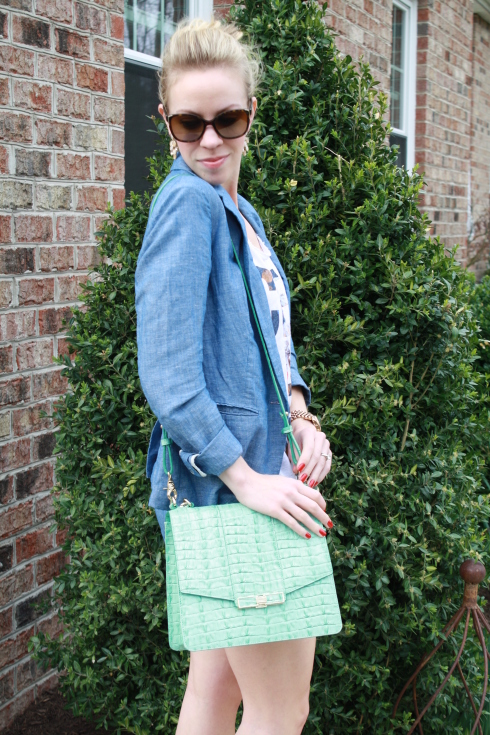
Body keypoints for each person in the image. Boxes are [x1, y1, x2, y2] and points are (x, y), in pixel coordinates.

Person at [135, 18, 335, 735]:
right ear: (166, 120)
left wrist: (303, 416)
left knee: (216, 689)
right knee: (282, 711)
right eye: (190, 123)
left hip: (254, 480)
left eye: (229, 118)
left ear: (253, 112)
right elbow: (167, 373)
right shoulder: (189, 207)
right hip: (239, 495)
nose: (210, 139)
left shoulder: (236, 212)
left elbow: (268, 344)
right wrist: (247, 479)